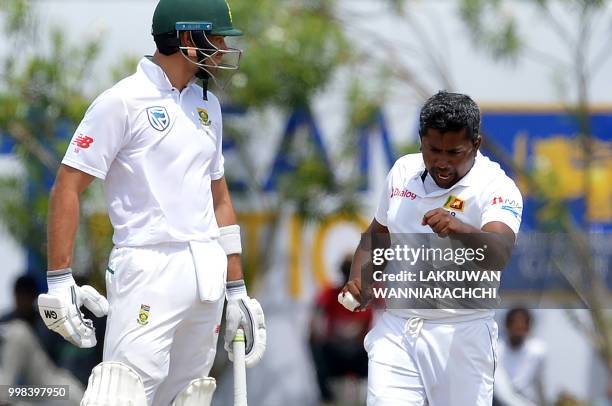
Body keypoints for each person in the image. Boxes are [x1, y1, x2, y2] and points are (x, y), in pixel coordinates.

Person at [36, 1, 266, 405]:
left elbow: (220, 199)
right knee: (121, 394)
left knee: (189, 397)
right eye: (215, 36)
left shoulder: (206, 104)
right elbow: (68, 185)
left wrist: (237, 287)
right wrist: (59, 279)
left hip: (205, 271)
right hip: (148, 267)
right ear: (186, 37)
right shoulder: (122, 100)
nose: (224, 46)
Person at [339, 91, 523, 405]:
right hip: (398, 332)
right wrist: (362, 282)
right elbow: (377, 235)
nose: (441, 162)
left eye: (454, 152)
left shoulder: (496, 187)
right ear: (421, 140)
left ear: (475, 144)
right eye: (433, 149)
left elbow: (498, 253)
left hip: (461, 337)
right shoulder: (401, 172)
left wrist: (461, 230)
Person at [310, 257, 372, 404]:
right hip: (334, 351)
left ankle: (369, 395)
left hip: (357, 353)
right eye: (345, 273)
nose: (347, 278)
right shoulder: (331, 293)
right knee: (314, 343)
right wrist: (316, 331)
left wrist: (346, 335)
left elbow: (361, 330)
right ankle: (326, 396)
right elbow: (316, 314)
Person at [494, 308, 546, 406]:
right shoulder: (496, 349)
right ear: (507, 326)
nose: (519, 328)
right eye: (515, 325)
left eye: (522, 325)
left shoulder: (538, 350)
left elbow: (540, 385)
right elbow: (501, 391)